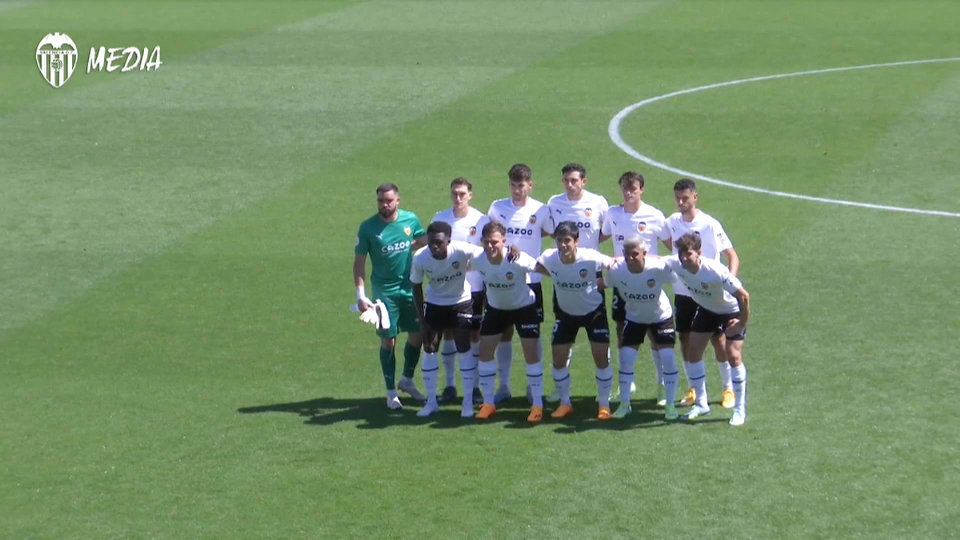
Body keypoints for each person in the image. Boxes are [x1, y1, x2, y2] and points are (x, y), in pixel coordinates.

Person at [666, 178, 740, 409]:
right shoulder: (671, 223)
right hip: (683, 292)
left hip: (709, 295)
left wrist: (728, 282)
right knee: (686, 339)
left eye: (685, 198)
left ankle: (727, 388)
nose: (680, 202)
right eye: (677, 198)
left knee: (719, 340)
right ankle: (693, 390)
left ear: (695, 198)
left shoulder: (710, 224)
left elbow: (732, 256)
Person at [600, 171, 672, 406]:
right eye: (624, 188)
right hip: (623, 281)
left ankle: (662, 383)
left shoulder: (654, 215)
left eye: (633, 188)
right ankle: (627, 383)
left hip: (648, 281)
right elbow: (602, 236)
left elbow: (670, 247)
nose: (628, 192)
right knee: (622, 328)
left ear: (642, 189)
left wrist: (650, 259)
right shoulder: (613, 213)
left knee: (654, 332)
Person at [664, 233, 750, 426]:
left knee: (733, 354)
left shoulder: (715, 270)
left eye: (689, 254)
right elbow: (656, 259)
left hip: (730, 311)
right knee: (693, 352)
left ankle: (739, 409)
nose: (684, 258)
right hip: (708, 310)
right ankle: (702, 404)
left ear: (699, 253)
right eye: (681, 254)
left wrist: (741, 322)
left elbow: (744, 296)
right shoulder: (677, 263)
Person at [353, 183, 427, 409]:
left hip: (409, 287)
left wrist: (407, 247)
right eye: (380, 201)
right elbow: (359, 263)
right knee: (389, 339)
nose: (384, 205)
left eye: (388, 201)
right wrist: (361, 295)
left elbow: (425, 243)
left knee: (418, 334)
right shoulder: (368, 228)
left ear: (398, 201)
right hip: (384, 292)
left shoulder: (410, 220)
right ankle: (390, 392)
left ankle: (406, 380)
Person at [487, 164, 553, 404]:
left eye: (521, 186)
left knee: (531, 335)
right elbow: (489, 236)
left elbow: (549, 232)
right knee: (504, 334)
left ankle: (531, 386)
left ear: (530, 185)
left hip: (530, 281)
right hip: (500, 281)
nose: (517, 190)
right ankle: (503, 386)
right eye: (513, 186)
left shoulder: (541, 210)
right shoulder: (497, 207)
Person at [535, 221, 615, 419]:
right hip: (566, 314)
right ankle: (565, 403)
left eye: (567, 241)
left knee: (601, 358)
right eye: (559, 240)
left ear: (576, 241)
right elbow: (535, 266)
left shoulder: (590, 257)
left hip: (593, 313)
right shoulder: (549, 257)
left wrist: (605, 282)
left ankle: (604, 404)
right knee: (558, 359)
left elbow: (613, 264)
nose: (562, 245)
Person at [545, 163, 610, 402]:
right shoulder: (555, 203)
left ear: (584, 181)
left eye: (574, 180)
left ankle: (606, 386)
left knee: (598, 332)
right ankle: (560, 389)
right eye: (566, 180)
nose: (570, 185)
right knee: (565, 330)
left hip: (591, 274)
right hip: (564, 276)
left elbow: (606, 231)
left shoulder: (598, 202)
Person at [468, 221, 544, 422]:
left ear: (504, 241)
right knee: (485, 354)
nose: (491, 246)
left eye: (495, 242)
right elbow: (458, 264)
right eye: (487, 242)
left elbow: (544, 268)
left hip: (524, 309)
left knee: (531, 355)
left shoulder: (517, 259)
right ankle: (488, 403)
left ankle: (537, 405)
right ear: (482, 242)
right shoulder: (477, 259)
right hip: (496, 310)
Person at [409, 221, 484, 417]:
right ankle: (431, 402)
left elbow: (487, 253)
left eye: (439, 243)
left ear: (448, 241)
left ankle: (467, 403)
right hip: (435, 304)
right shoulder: (421, 258)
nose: (435, 247)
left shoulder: (461, 250)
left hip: (461, 302)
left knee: (463, 348)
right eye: (432, 242)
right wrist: (422, 320)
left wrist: (511, 250)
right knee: (430, 348)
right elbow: (415, 286)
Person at [606, 236, 680, 420]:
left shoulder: (657, 268)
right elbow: (604, 283)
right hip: (634, 318)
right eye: (627, 254)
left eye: (635, 254)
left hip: (660, 316)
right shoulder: (617, 271)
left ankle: (670, 405)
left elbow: (675, 274)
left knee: (668, 357)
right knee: (626, 358)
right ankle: (625, 404)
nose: (631, 258)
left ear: (644, 254)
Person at [431, 178, 490, 404]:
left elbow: (487, 250)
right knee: (448, 333)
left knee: (474, 334)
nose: (458, 198)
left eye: (462, 194)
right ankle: (449, 385)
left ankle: (474, 387)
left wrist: (472, 265)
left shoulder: (481, 219)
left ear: (470, 195)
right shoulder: (440, 218)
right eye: (455, 193)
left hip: (474, 286)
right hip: (446, 287)